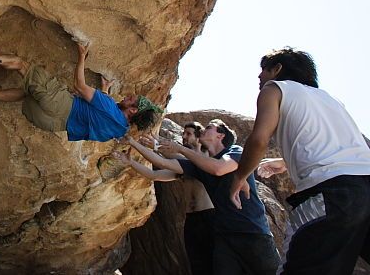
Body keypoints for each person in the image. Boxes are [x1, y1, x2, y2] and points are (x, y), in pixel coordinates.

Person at [229, 48, 370, 274]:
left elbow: (259, 139)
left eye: (263, 70)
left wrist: (240, 176)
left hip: (333, 195)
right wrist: (284, 161)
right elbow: (347, 148)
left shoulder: (274, 89)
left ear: (277, 69)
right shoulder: (331, 100)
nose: (259, 77)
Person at [128, 120, 280, 275]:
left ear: (220, 135)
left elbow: (218, 169)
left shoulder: (235, 151)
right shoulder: (198, 166)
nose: (203, 130)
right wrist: (132, 143)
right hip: (225, 238)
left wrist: (180, 148)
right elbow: (162, 163)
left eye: (209, 128)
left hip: (252, 233)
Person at [0, 42, 162, 141]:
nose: (128, 96)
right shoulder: (119, 129)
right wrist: (104, 90)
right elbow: (103, 112)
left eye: (131, 99)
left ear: (134, 110)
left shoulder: (109, 107)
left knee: (23, 65)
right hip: (49, 122)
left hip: (61, 105)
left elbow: (79, 86)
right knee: (28, 93)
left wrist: (82, 57)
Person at [114, 121, 215, 275]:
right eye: (183, 133)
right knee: (196, 263)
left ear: (198, 137)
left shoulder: (205, 160)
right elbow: (154, 174)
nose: (184, 137)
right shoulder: (185, 166)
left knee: (214, 262)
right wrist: (130, 162)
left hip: (208, 217)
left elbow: (165, 159)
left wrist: (149, 144)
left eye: (188, 134)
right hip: (191, 219)